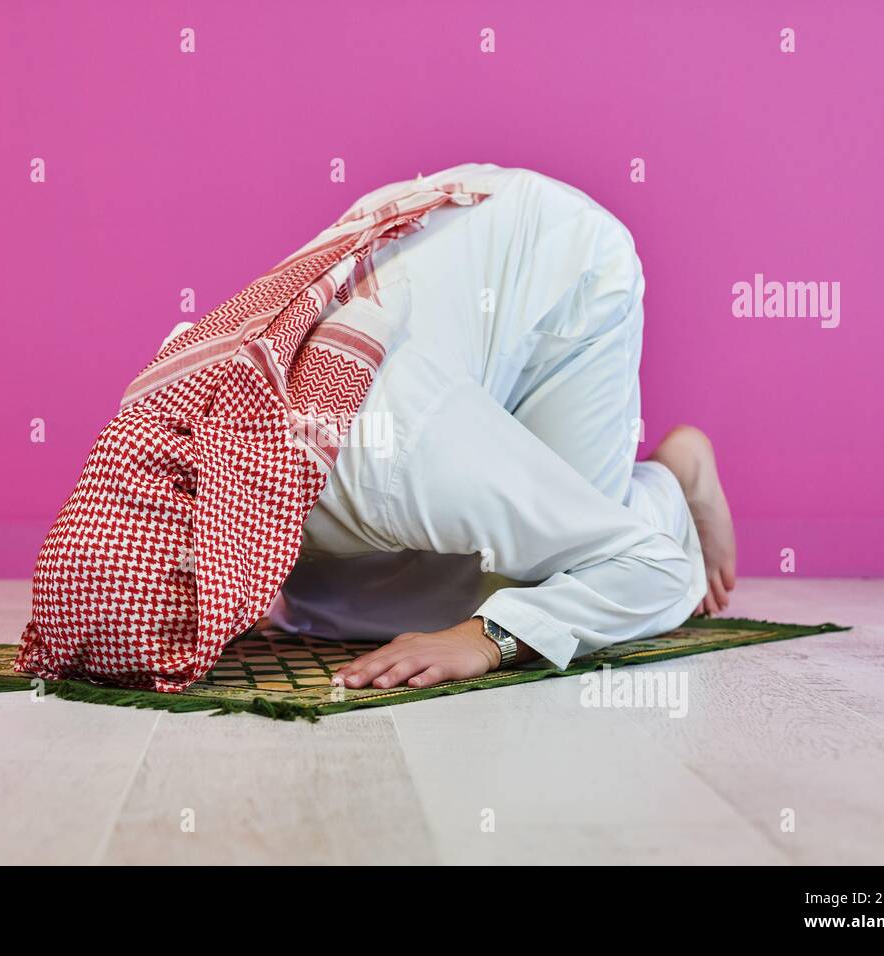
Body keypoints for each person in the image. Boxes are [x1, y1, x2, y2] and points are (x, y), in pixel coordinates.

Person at [254, 163, 737, 691]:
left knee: (548, 576)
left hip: (559, 260)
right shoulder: (197, 433)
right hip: (429, 246)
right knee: (325, 610)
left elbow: (652, 570)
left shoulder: (387, 460)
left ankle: (670, 485)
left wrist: (488, 639)